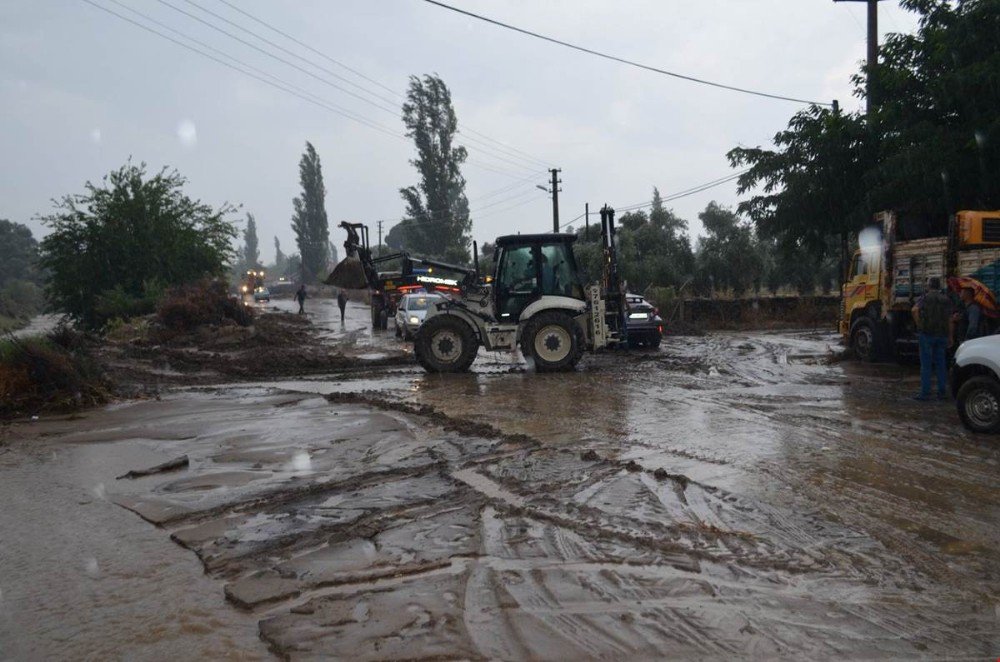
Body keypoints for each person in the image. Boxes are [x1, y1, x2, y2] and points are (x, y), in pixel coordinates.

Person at [911, 276, 952, 401]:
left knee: (926, 365)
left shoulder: (925, 298)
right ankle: (942, 392)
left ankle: (925, 393)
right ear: (939, 286)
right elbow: (949, 319)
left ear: (929, 286)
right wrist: (950, 336)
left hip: (927, 335)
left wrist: (920, 325)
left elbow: (914, 310)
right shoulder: (946, 299)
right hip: (942, 335)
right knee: (941, 364)